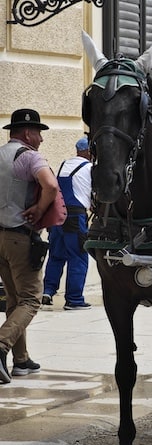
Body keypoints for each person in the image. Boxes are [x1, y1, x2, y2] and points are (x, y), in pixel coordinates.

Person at [0, 108, 59, 383]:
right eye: (38, 133)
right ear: (26, 133)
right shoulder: (30, 157)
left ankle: (21, 360)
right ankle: (1, 345)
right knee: (31, 298)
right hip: (19, 236)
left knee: (14, 298)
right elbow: (51, 186)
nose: (41, 139)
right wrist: (39, 207)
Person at [42, 137, 92, 311]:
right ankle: (74, 299)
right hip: (75, 217)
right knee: (78, 256)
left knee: (56, 255)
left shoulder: (65, 164)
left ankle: (47, 292)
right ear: (89, 151)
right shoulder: (90, 168)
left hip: (56, 215)